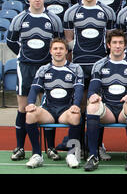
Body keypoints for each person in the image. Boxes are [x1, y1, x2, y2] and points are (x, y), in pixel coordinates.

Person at [6, 0, 63, 161]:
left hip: (47, 67)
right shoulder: (20, 18)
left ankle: (51, 148)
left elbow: (58, 41)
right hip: (26, 67)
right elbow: (11, 41)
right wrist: (24, 55)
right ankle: (20, 147)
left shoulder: (53, 19)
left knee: (48, 108)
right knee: (23, 108)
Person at [63, 0, 116, 160]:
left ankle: (97, 146)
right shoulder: (71, 12)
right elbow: (68, 42)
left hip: (99, 67)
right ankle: (75, 149)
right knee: (78, 107)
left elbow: (110, 40)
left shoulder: (107, 12)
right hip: (78, 66)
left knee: (96, 107)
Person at [84, 29, 127, 171]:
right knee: (92, 106)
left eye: (121, 43)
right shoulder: (100, 64)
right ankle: (93, 156)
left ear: (125, 45)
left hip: (125, 109)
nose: (118, 46)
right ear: (108, 45)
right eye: (115, 43)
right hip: (109, 111)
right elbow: (92, 89)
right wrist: (93, 96)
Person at [23, 38, 84, 169]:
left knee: (75, 116)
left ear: (66, 51)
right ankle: (37, 155)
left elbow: (79, 89)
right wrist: (31, 103)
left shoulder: (75, 68)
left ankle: (72, 154)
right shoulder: (44, 69)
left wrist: (76, 105)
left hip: (65, 110)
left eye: (61, 49)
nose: (58, 51)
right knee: (30, 115)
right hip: (48, 110)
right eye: (55, 49)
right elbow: (34, 88)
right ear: (50, 51)